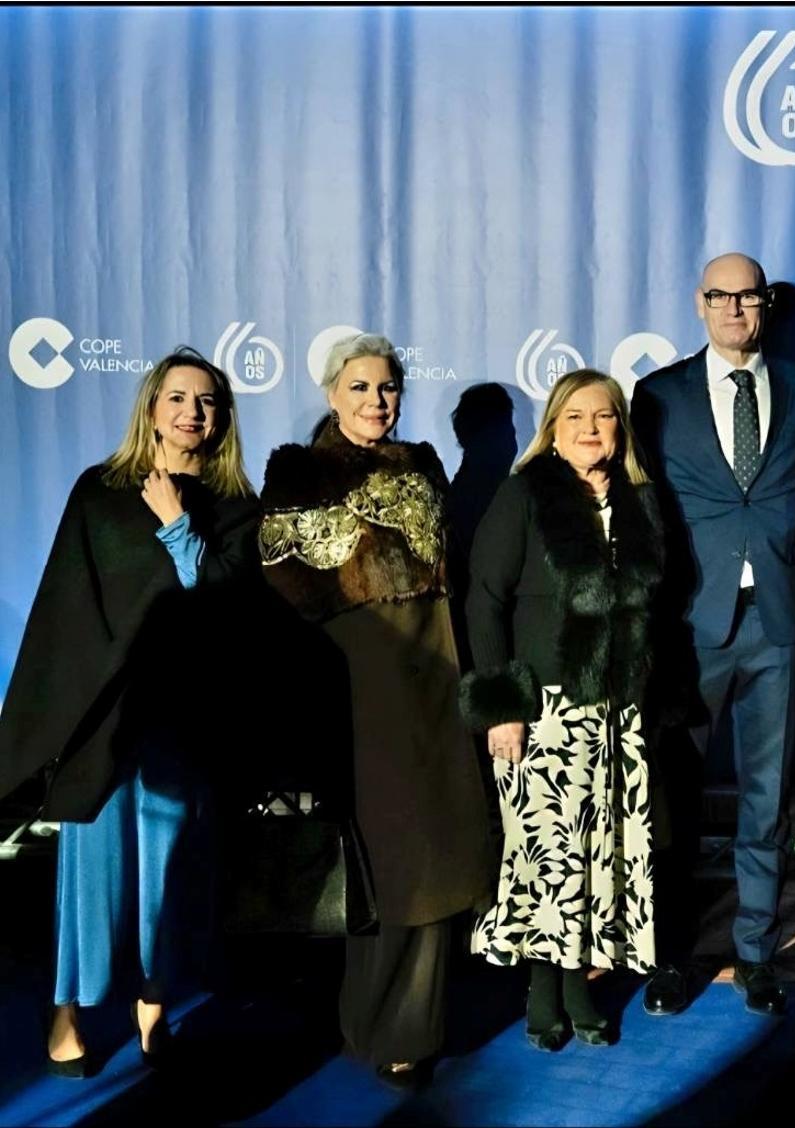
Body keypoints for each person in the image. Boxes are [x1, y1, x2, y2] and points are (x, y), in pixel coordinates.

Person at [0, 348, 260, 1077]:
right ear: (151, 407)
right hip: (104, 720)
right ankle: (69, 1009)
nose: (192, 412)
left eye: (207, 401)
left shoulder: (236, 505)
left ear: (223, 418)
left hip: (183, 721)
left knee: (167, 878)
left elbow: (224, 610)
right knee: (94, 879)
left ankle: (152, 1004)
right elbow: (65, 608)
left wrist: (179, 527)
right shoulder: (101, 490)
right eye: (178, 397)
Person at [258, 333, 492, 1085]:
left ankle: (408, 1029)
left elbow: (449, 572)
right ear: (332, 394)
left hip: (437, 672)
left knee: (438, 857)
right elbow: (281, 581)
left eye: (387, 387)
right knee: (388, 863)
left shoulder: (423, 464)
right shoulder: (297, 471)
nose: (376, 401)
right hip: (359, 683)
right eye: (359, 388)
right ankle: (370, 1021)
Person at [631, 252, 795, 1017]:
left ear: (767, 307)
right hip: (692, 626)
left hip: (780, 628)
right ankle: (674, 958)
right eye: (720, 296)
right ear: (699, 304)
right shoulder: (655, 397)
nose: (734, 310)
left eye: (748, 297)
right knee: (675, 804)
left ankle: (756, 955)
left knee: (765, 803)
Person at [459, 369, 664, 1049]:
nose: (588, 429)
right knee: (546, 856)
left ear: (619, 427)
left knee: (600, 854)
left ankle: (581, 981)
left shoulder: (638, 500)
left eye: (602, 417)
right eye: (574, 416)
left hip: (613, 710)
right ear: (553, 426)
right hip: (540, 706)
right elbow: (484, 600)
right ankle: (545, 989)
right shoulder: (525, 495)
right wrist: (501, 707)